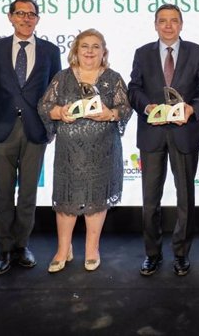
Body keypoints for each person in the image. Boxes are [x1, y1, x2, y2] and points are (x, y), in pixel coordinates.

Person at [128, 3, 199, 277]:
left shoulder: (197, 52)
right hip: (152, 134)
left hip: (184, 133)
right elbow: (134, 89)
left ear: (181, 24)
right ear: (155, 24)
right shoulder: (142, 53)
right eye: (162, 20)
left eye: (173, 20)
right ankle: (152, 254)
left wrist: (192, 109)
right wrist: (147, 107)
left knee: (185, 199)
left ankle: (181, 254)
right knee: (150, 200)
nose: (168, 25)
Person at [39, 29, 131, 273]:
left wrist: (110, 114)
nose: (90, 51)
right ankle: (63, 250)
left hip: (102, 152)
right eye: (84, 47)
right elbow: (45, 105)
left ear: (103, 52)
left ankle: (92, 250)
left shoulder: (113, 78)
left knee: (96, 201)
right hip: (69, 153)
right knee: (66, 202)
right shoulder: (63, 77)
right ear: (76, 52)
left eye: (95, 46)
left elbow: (125, 108)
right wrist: (59, 112)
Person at [0, 0, 61, 275]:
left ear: (38, 19)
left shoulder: (51, 51)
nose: (26, 18)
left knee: (27, 194)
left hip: (35, 130)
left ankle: (21, 246)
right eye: (20, 13)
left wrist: (51, 127)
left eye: (31, 14)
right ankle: (4, 248)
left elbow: (55, 93)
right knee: (3, 193)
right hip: (1, 129)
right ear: (10, 17)